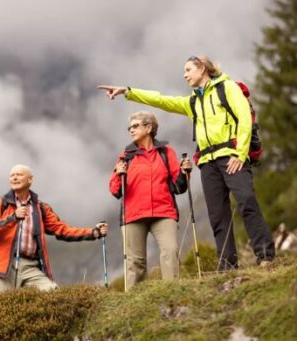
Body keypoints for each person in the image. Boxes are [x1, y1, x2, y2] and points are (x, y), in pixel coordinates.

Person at [98, 55, 275, 270]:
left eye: (188, 69)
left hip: (231, 156)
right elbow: (161, 100)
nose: (185, 75)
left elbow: (244, 119)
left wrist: (239, 154)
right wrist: (128, 92)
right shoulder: (193, 101)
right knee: (218, 215)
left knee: (247, 202)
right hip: (208, 163)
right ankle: (228, 265)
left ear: (202, 68)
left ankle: (265, 255)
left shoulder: (227, 88)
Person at [0, 164, 109, 295]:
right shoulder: (0, 204)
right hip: (5, 267)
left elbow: (62, 229)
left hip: (31, 266)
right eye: (12, 175)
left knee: (54, 294)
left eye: (19, 175)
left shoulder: (40, 208)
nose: (14, 178)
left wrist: (93, 232)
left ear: (30, 179)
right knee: (0, 307)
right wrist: (13, 218)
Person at [110, 111, 191, 290]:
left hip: (164, 212)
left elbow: (179, 187)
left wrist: (186, 173)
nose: (131, 130)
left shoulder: (166, 152)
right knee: (135, 262)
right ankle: (132, 305)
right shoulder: (126, 155)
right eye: (129, 127)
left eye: (135, 126)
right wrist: (118, 173)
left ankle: (173, 293)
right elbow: (115, 190)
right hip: (133, 215)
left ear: (149, 127)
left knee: (170, 251)